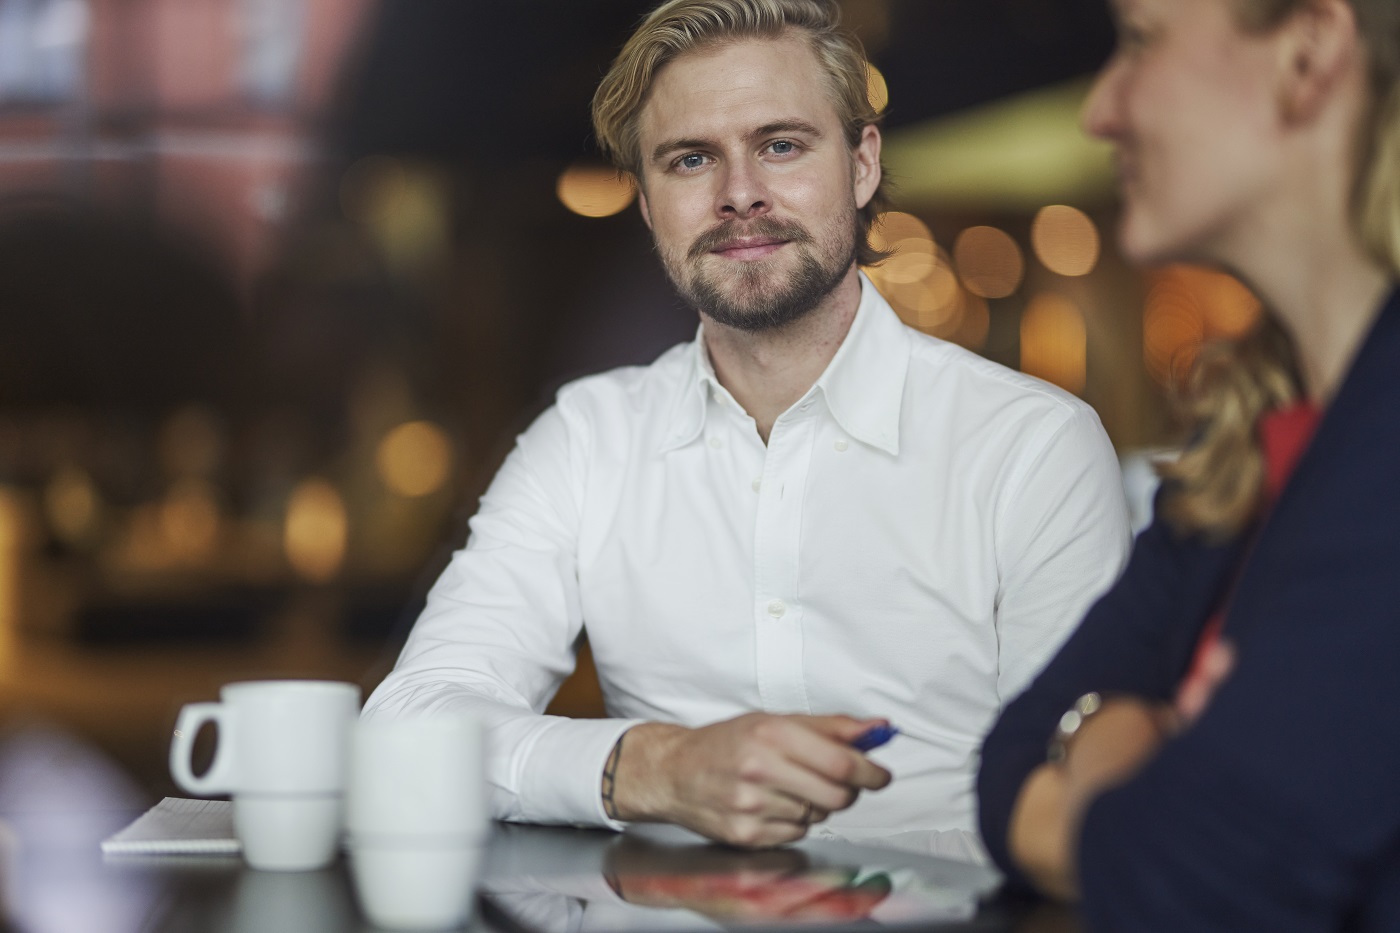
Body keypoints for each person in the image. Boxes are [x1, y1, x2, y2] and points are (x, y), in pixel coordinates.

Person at [364, 0, 1130, 850]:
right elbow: (409, 730)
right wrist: (658, 766)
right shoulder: (589, 437)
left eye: (781, 145)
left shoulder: (1032, 448)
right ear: (650, 204)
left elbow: (1087, 790)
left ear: (863, 164)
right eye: (691, 159)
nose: (739, 195)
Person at [977, 0, 1400, 927]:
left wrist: (1096, 754)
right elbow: (1005, 768)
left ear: (1308, 54)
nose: (1100, 109)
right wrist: (1129, 747)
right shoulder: (1239, 451)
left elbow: (1199, 875)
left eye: (1139, 42)